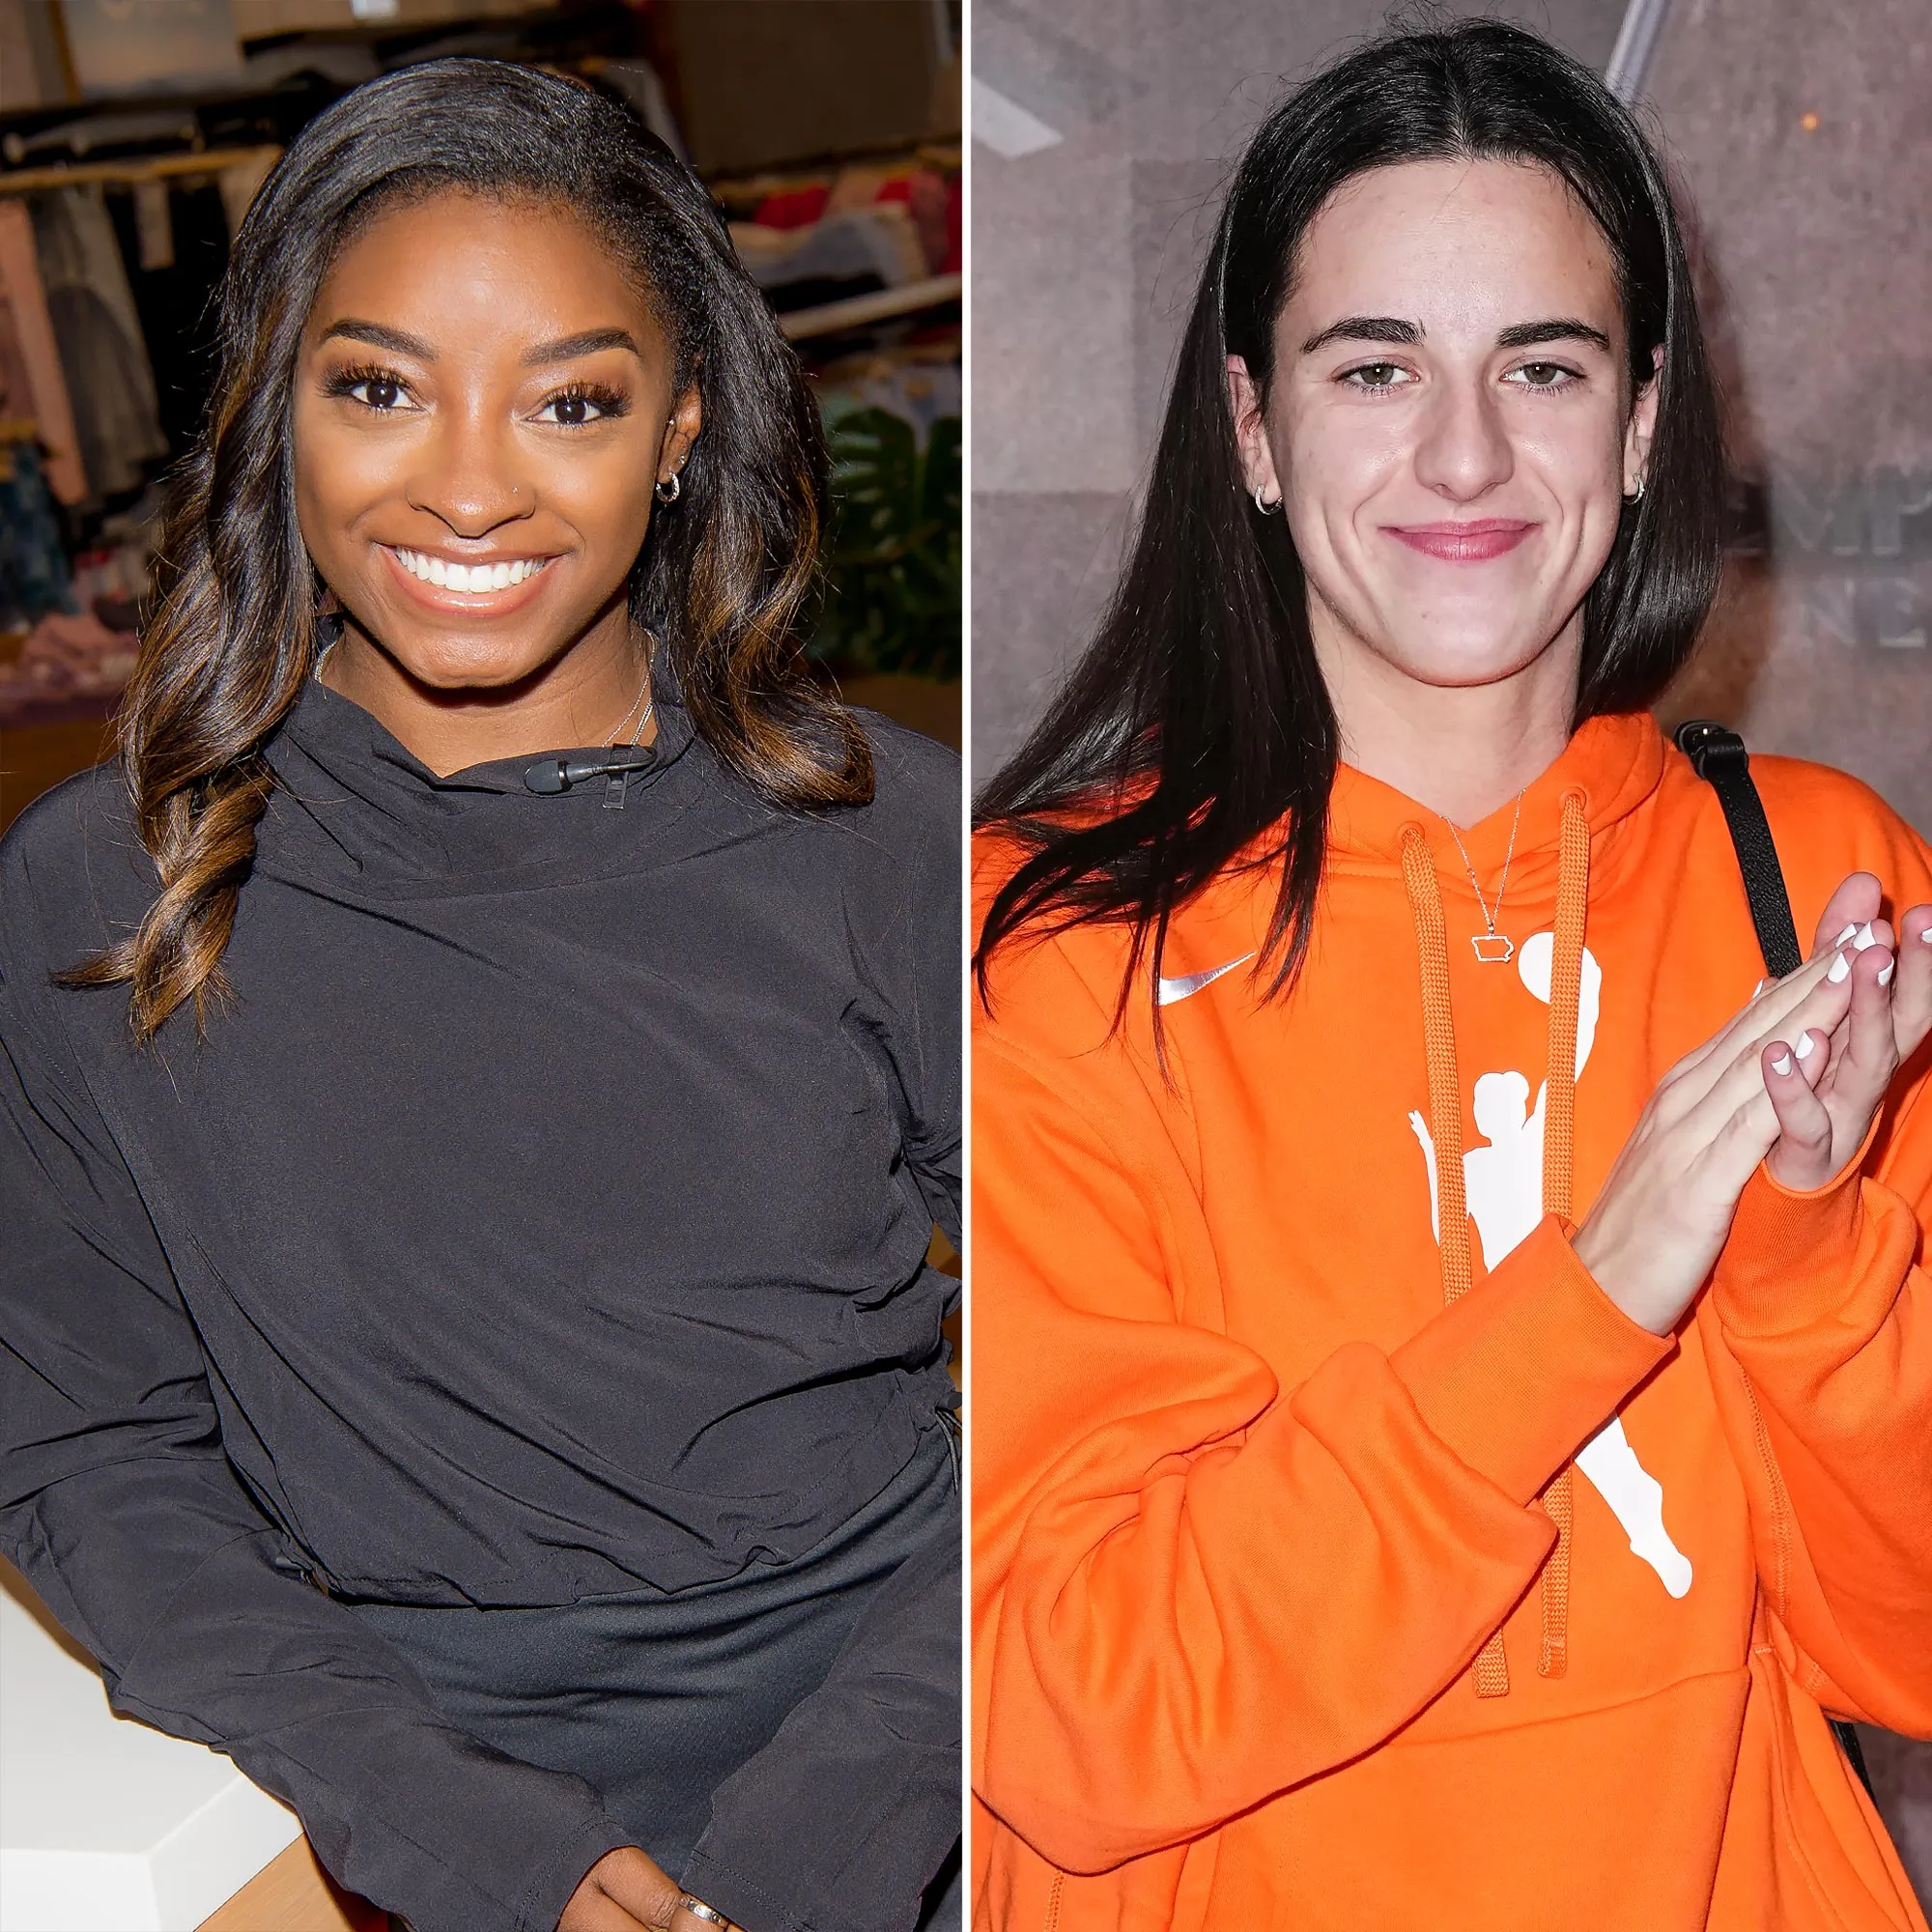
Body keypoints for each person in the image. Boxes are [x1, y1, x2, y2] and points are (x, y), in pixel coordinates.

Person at [972, 20, 1932, 1931]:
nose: (1467, 453)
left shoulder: (1815, 888)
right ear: (1254, 427)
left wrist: (1806, 1250)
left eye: (1544, 366)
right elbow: (1061, 1712)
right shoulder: (1053, 951)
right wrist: (1590, 1294)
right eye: (1375, 367)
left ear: (1640, 423)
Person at [0, 61, 960, 1932]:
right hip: (398, 1788)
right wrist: (469, 1841)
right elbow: (90, 1445)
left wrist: (839, 1829)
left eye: (569, 401)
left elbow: (1095, 1382)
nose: (465, 483)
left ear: (678, 428)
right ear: (274, 404)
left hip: (919, 1750)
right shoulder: (104, 892)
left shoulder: (877, 840)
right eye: (378, 387)